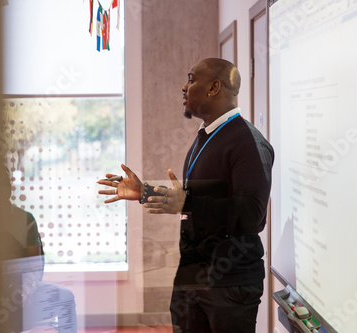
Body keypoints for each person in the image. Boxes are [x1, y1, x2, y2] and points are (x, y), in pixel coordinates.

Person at [97, 58, 274, 332]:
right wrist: (145, 192)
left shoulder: (248, 141)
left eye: (191, 79)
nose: (184, 87)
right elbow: (199, 199)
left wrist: (187, 202)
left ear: (214, 87)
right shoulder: (207, 134)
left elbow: (253, 215)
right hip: (193, 278)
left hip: (229, 283)